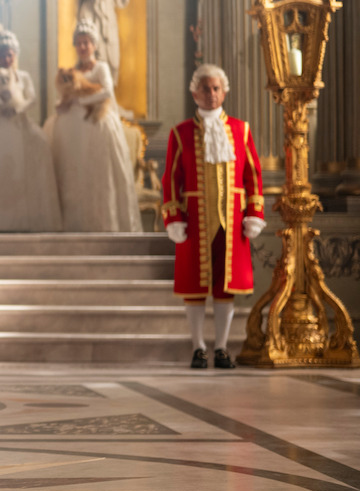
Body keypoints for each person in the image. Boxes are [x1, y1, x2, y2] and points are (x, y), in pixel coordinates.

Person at [161, 64, 265, 369]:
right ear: (194, 92)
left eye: (216, 88)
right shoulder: (180, 133)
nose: (211, 94)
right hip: (193, 220)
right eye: (205, 88)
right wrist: (173, 218)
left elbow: (253, 176)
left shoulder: (241, 129)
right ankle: (198, 347)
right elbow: (170, 179)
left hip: (233, 221)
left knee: (225, 286)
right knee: (194, 286)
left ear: (225, 91)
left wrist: (254, 213)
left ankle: (220, 347)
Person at [46, 20, 142, 232]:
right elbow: (65, 93)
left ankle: (103, 223)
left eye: (86, 43)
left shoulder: (101, 67)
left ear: (94, 45)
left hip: (96, 123)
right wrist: (63, 103)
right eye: (79, 43)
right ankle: (72, 224)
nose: (82, 47)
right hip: (72, 131)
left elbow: (107, 91)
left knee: (97, 173)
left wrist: (81, 102)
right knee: (73, 172)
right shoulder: (70, 70)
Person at [0, 29, 63, 232]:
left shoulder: (23, 77)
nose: (6, 58)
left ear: (15, 55)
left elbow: (31, 97)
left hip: (17, 123)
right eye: (2, 54)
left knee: (38, 146)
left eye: (9, 54)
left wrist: (17, 107)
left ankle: (22, 218)